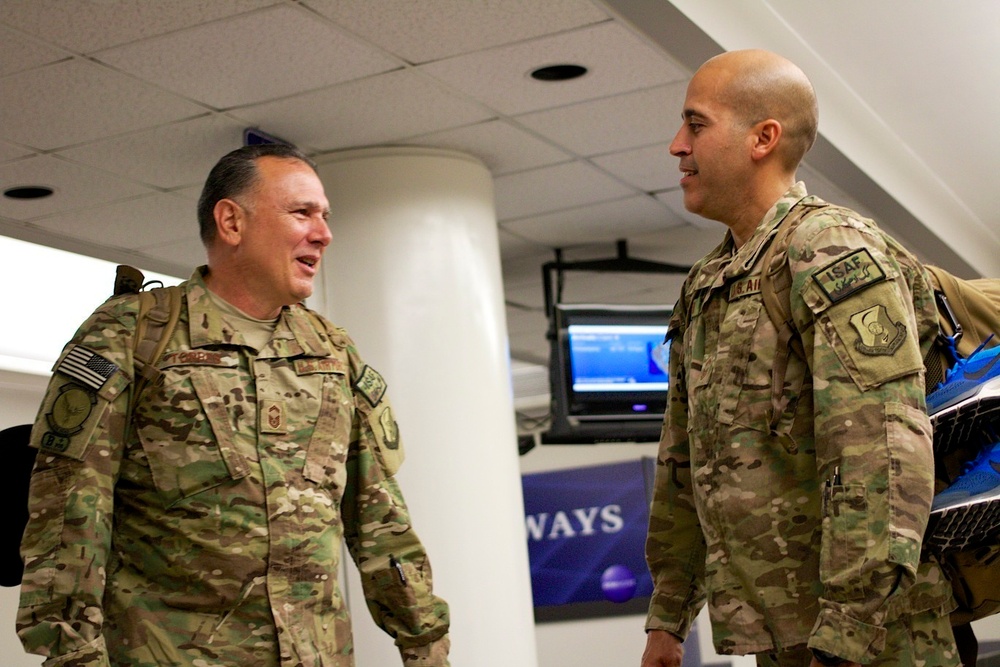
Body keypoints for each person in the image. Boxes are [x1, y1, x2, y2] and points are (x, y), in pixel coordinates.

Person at [16, 144, 450, 666]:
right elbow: (70, 516)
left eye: (325, 216)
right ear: (231, 222)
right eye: (301, 212)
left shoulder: (332, 352)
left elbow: (378, 516)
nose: (323, 232)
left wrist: (425, 645)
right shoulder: (134, 334)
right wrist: (73, 656)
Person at [641, 50, 961, 667]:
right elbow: (685, 461)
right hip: (779, 630)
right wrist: (669, 616)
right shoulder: (709, 282)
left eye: (696, 124)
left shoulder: (830, 251)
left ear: (763, 138)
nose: (677, 145)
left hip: (872, 639)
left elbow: (883, 454)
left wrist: (846, 634)